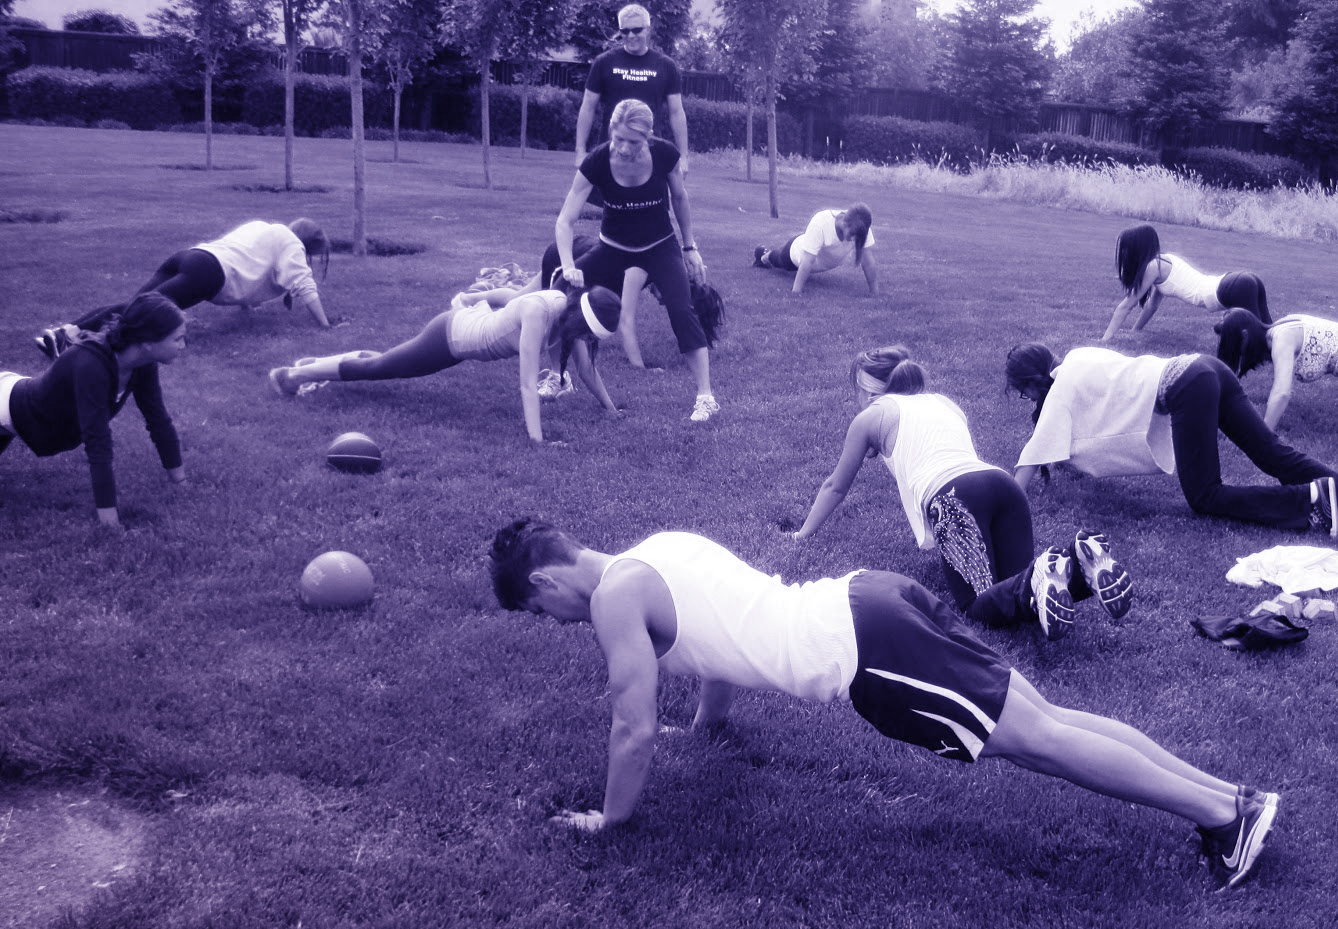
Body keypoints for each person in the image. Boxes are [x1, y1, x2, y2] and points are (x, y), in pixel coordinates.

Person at [489, 518, 1280, 891]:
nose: (552, 621)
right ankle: (1230, 800)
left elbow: (630, 726)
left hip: (867, 649)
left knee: (1040, 741)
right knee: (1051, 722)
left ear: (546, 582)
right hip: (870, 595)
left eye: (537, 610)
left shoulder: (612, 598)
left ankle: (1224, 816)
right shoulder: (655, 549)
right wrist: (705, 726)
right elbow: (715, 637)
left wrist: (612, 820)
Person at [793, 345, 1133, 640]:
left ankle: (1053, 568)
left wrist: (802, 535)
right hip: (1003, 486)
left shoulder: (871, 417)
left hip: (955, 500)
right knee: (1019, 590)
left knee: (977, 606)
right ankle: (1080, 562)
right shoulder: (943, 402)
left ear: (868, 391)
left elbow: (835, 486)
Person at [1005, 342, 1338, 536]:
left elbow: (1034, 453)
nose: (1028, 399)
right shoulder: (1078, 356)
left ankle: (1311, 500)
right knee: (1271, 453)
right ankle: (1334, 489)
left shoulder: (1061, 390)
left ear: (1032, 382)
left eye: (1024, 392)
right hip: (1206, 366)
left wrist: (1007, 498)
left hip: (1188, 387)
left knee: (1205, 496)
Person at [267, 285, 623, 445]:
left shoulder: (568, 315)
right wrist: (537, 440)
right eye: (588, 333)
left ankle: (319, 365)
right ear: (581, 318)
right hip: (450, 337)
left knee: (384, 362)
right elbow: (528, 384)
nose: (586, 340)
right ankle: (293, 375)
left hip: (463, 330)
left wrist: (611, 410)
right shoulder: (539, 312)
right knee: (378, 368)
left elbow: (587, 371)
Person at [556, 99, 718, 422]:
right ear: (610, 130)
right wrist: (569, 265)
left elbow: (680, 198)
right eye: (618, 139)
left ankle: (706, 397)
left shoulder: (665, 154)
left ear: (648, 136)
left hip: (659, 246)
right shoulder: (596, 162)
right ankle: (558, 377)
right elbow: (565, 220)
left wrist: (689, 247)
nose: (624, 148)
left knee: (680, 309)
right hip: (612, 248)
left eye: (634, 142)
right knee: (559, 293)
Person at [3, 293, 187, 526]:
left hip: (24, 414)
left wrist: (180, 483)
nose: (183, 346)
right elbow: (97, 441)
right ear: (148, 341)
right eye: (177, 339)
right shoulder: (91, 363)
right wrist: (110, 522)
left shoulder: (143, 364)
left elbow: (158, 420)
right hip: (8, 408)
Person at [38, 219, 332, 358]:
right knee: (139, 312)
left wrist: (246, 307)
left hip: (191, 256)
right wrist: (325, 326)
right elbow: (303, 284)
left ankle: (69, 333)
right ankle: (66, 336)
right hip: (209, 272)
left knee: (135, 306)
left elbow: (246, 260)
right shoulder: (291, 243)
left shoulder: (263, 227)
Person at [574, 4, 689, 178]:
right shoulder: (604, 62)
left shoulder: (666, 65)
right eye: (625, 31)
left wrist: (684, 157)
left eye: (636, 30)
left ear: (648, 30)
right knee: (605, 196)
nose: (631, 36)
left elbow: (676, 112)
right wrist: (580, 151)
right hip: (610, 150)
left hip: (650, 151)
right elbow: (588, 107)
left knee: (652, 196)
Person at [1102, 224, 1270, 341]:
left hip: (1228, 288)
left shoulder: (1154, 266)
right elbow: (1151, 306)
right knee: (1268, 329)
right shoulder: (1163, 262)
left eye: (1126, 250)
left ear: (1137, 249)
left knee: (1256, 335)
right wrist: (1135, 330)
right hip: (1242, 280)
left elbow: (1126, 305)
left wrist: (1105, 339)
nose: (1124, 255)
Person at [1215, 308, 1338, 431]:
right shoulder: (1279, 329)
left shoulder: (1282, 339)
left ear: (1244, 337)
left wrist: (1263, 435)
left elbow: (1281, 393)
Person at [753, 204, 878, 296]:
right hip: (795, 254)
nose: (855, 239)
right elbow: (807, 261)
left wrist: (874, 293)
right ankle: (763, 255)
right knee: (780, 260)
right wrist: (796, 293)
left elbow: (868, 262)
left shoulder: (861, 227)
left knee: (805, 244)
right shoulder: (821, 222)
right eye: (852, 235)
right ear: (845, 224)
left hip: (810, 242)